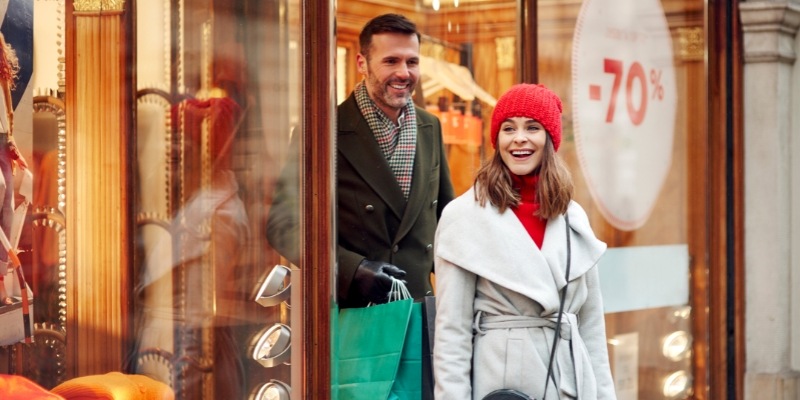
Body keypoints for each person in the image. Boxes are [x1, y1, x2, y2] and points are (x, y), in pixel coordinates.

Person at [432, 84, 616, 399]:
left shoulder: (572, 217)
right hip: (503, 383)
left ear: (550, 139)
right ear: (497, 139)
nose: (519, 138)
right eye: (508, 128)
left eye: (532, 127)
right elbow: (452, 335)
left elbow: (592, 331)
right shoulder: (464, 217)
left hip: (570, 380)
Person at [266, 13, 454, 308]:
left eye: (412, 61)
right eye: (391, 61)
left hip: (422, 308)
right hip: (357, 311)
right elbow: (283, 224)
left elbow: (445, 219)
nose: (404, 73)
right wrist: (352, 269)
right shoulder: (322, 131)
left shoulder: (430, 126)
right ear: (361, 64)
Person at [0, 32, 27, 306]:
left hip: (1, 141)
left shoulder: (1, 71)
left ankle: (1, 286)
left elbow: (9, 109)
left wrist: (10, 137)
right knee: (1, 190)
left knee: (7, 207)